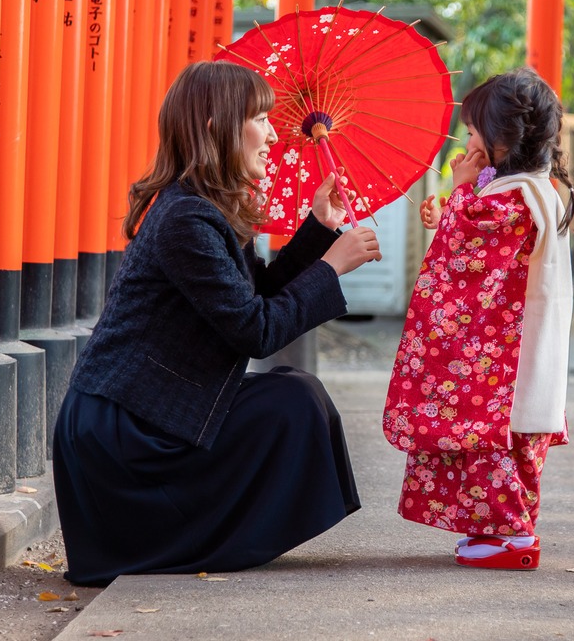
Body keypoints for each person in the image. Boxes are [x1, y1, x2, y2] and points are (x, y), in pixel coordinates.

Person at [52, 60, 382, 587]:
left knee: (296, 394)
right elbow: (255, 329)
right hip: (122, 441)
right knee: (291, 402)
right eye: (261, 118)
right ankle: (193, 537)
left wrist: (321, 229)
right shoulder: (185, 219)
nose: (274, 135)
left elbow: (258, 295)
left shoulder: (203, 208)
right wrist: (332, 266)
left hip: (144, 420)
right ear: (216, 127)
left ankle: (221, 533)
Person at [382, 67, 574, 570]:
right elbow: (473, 241)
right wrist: (454, 206)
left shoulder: (514, 197)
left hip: (505, 357)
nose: (467, 141)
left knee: (489, 438)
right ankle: (499, 532)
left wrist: (460, 195)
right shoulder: (533, 189)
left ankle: (511, 536)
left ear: (502, 138)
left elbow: (467, 258)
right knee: (499, 445)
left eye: (473, 132)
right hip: (518, 347)